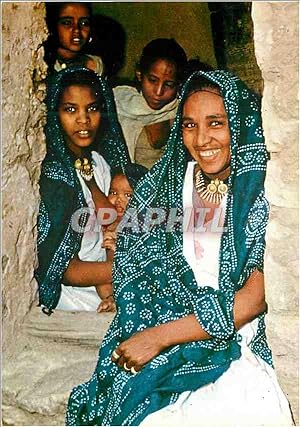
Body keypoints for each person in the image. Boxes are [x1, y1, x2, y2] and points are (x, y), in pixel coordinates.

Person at [65, 70, 294, 426]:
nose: (202, 139)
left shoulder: (258, 194)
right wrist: (147, 322)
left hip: (229, 335)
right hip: (165, 319)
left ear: (240, 123)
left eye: (216, 123)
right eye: (189, 125)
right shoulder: (170, 184)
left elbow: (252, 300)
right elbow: (137, 258)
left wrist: (157, 339)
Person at [35, 66, 130, 315]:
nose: (83, 119)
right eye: (70, 109)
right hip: (75, 296)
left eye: (92, 108)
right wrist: (133, 266)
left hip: (108, 279)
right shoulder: (55, 178)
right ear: (55, 113)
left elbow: (112, 225)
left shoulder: (99, 163)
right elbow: (64, 271)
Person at [113, 38, 187, 169]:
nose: (158, 92)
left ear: (179, 85)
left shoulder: (184, 112)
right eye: (152, 80)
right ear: (140, 74)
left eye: (168, 85)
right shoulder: (119, 101)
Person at [99, 163, 148, 312]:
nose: (119, 200)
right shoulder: (105, 221)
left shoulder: (143, 222)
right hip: (106, 278)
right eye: (113, 193)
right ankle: (110, 298)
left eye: (128, 195)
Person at [44, 2, 104, 75]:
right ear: (53, 26)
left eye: (84, 23)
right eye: (67, 23)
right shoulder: (43, 65)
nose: (77, 30)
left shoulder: (95, 66)